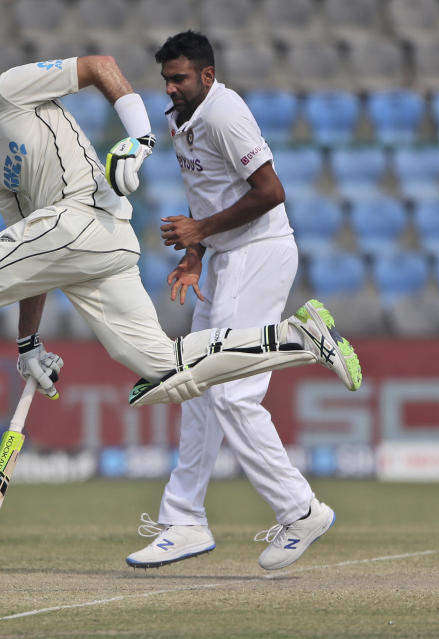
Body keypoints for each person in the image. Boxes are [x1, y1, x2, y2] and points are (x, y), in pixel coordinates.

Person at [0, 49, 361, 497]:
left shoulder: (8, 90)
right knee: (164, 368)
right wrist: (27, 343)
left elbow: (99, 67)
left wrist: (138, 139)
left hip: (86, 216)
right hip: (82, 242)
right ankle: (299, 338)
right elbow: (27, 265)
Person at [125, 31, 343, 573]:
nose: (170, 88)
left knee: (231, 395)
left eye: (179, 78)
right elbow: (211, 195)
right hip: (225, 260)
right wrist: (196, 251)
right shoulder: (181, 121)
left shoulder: (224, 114)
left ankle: (300, 510)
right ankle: (184, 521)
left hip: (260, 254)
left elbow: (270, 191)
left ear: (207, 75)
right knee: (197, 385)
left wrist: (200, 229)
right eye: (166, 79)